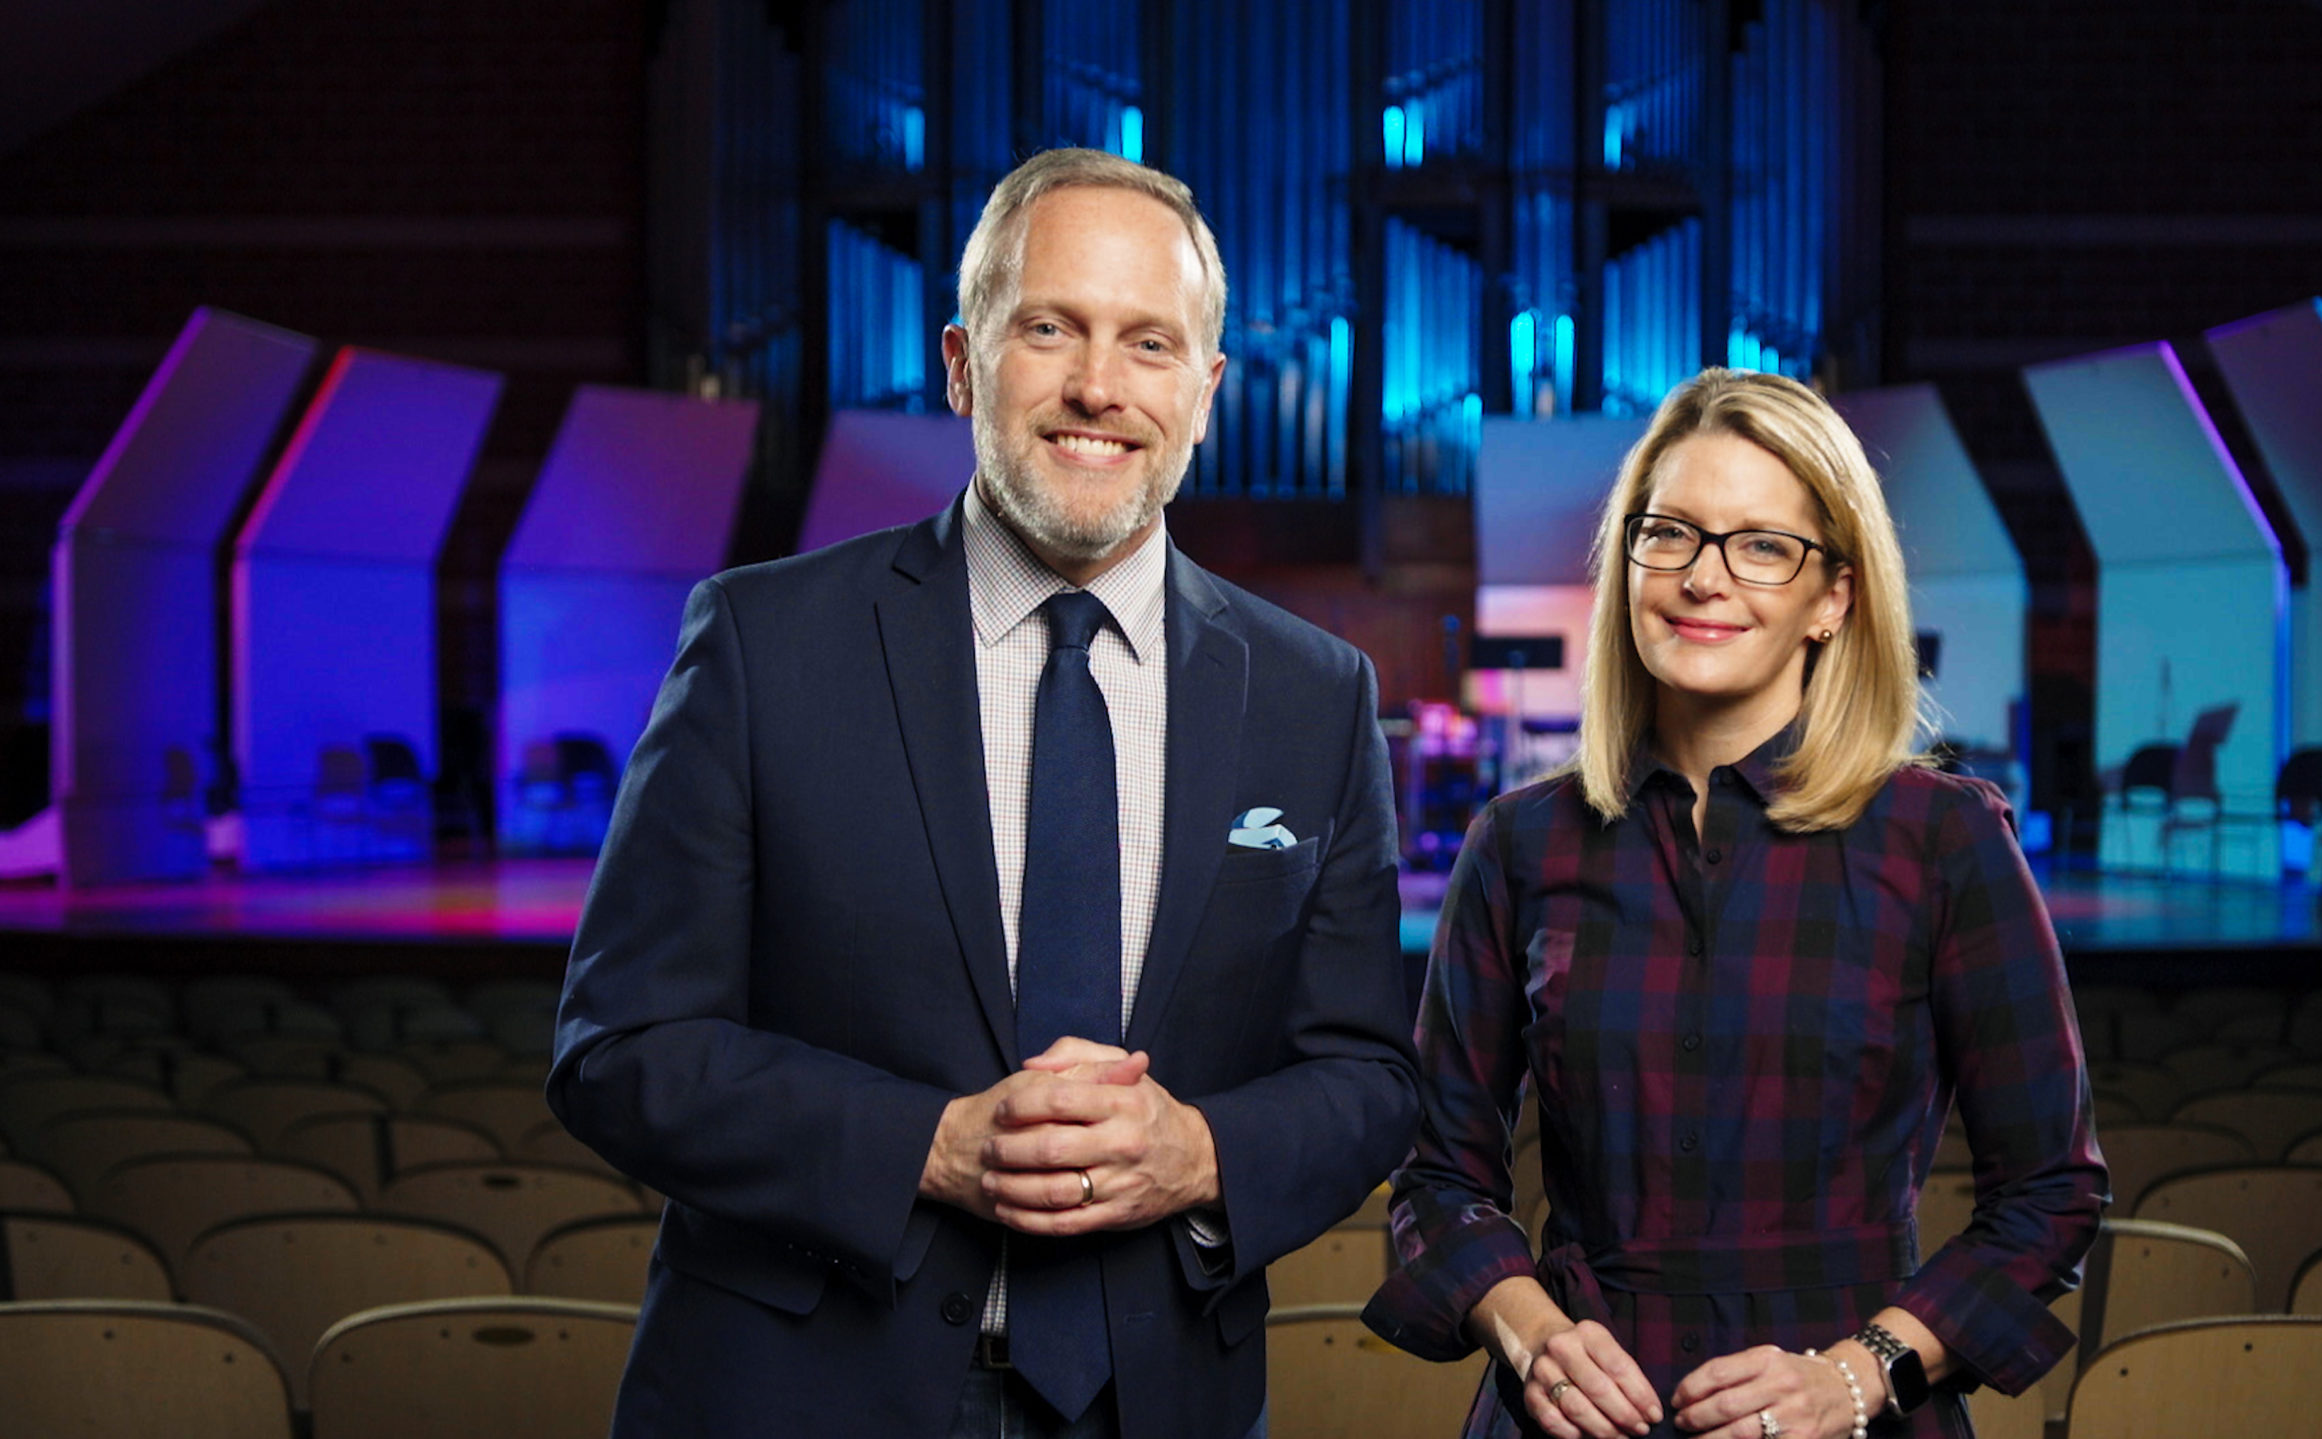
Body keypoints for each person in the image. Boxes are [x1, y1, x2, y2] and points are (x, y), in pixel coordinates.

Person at [549, 148, 1419, 1439]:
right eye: (1050, 327)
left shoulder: (1318, 694)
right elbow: (616, 1048)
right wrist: (933, 1144)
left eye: (1149, 344)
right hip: (801, 1397)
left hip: (1161, 1400)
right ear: (961, 362)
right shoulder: (758, 644)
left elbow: (1366, 1074)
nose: (1096, 387)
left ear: (1206, 394)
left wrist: (1201, 1154)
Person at [1363, 369, 2105, 1438]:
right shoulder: (1516, 841)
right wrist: (1526, 1325)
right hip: (1578, 1415)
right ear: (1627, 560)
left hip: (1846, 1410)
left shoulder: (1944, 837)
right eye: (1669, 533)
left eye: (1761, 544)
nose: (1703, 577)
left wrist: (1856, 1372)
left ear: (1834, 595)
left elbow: (2050, 1194)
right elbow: (1437, 1174)